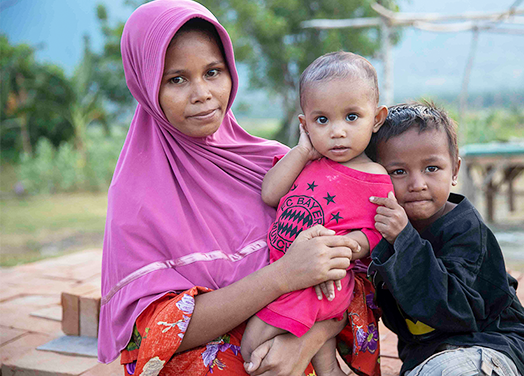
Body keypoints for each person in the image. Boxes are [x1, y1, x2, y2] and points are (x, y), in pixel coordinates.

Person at [98, 1, 382, 375]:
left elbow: (352, 271)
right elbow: (155, 334)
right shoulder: (136, 199)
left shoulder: (279, 165)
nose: (201, 93)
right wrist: (282, 276)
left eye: (213, 72)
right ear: (145, 85)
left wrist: (306, 339)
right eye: (176, 79)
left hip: (297, 339)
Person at [365, 102, 524, 376]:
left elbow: (452, 308)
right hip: (431, 358)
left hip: (494, 346)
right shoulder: (384, 228)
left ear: (454, 170)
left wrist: (404, 239)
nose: (417, 183)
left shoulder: (465, 229)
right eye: (398, 172)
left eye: (431, 168)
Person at [240, 52, 393, 376]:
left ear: (377, 118)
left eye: (352, 117)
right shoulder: (304, 163)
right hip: (290, 275)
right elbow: (270, 193)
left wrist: (349, 246)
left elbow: (378, 230)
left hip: (324, 281)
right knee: (323, 363)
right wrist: (302, 151)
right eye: (322, 120)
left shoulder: (376, 177)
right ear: (304, 124)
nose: (337, 131)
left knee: (251, 345)